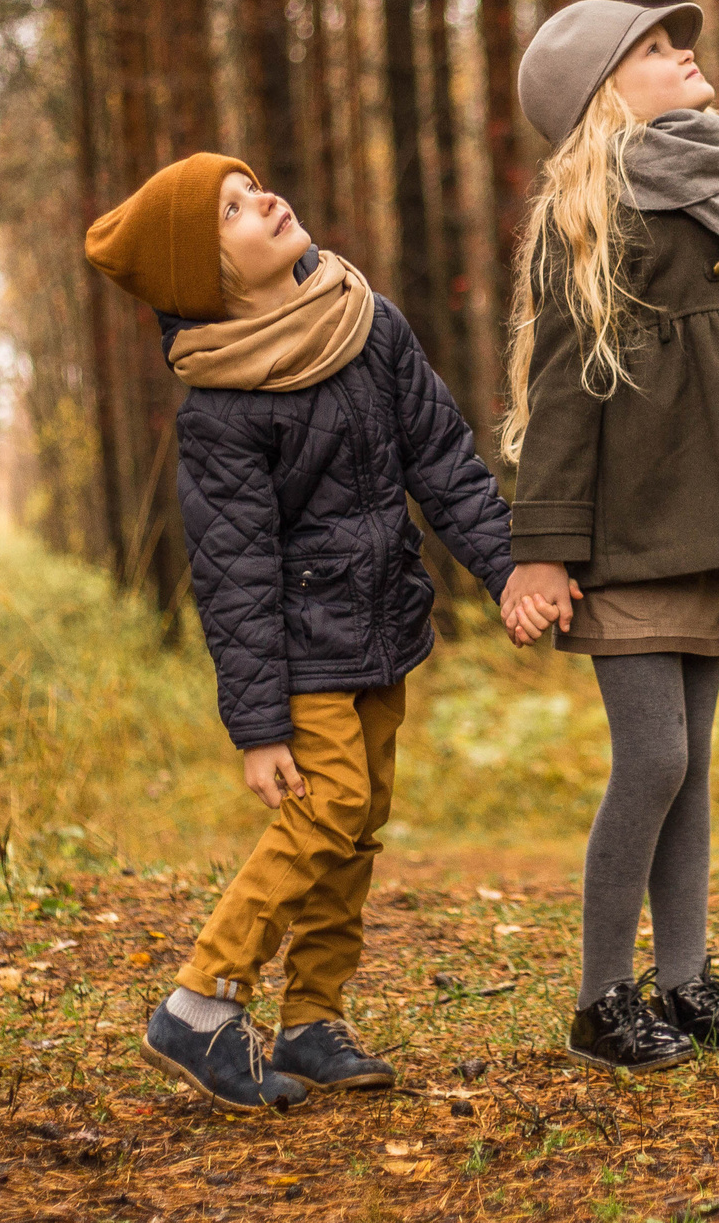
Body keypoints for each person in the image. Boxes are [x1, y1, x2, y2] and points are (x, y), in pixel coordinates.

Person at [84, 154, 521, 1112]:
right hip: (300, 656)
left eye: (254, 184)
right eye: (232, 210)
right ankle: (201, 998)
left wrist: (508, 568)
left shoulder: (368, 321)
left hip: (382, 631)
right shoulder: (221, 406)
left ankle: (315, 1021)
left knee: (356, 826)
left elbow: (442, 458)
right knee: (327, 808)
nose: (267, 199)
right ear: (210, 279)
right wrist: (259, 724)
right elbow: (233, 576)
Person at [499, 0, 719, 1075]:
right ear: (601, 97)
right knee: (655, 760)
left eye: (677, 41)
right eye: (650, 49)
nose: (683, 52)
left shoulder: (715, 190)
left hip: (713, 528)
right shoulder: (591, 215)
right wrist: (540, 549)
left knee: (693, 768)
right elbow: (559, 394)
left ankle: (682, 984)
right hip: (625, 538)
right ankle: (601, 1000)